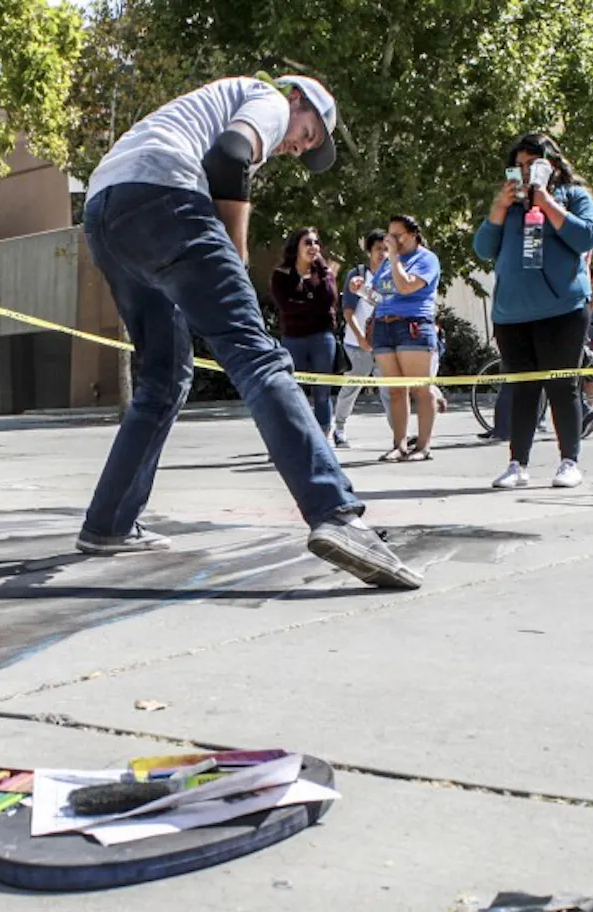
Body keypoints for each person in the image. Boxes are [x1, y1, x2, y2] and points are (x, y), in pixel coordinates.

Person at [74, 74, 419, 588]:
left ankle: (109, 523)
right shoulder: (270, 99)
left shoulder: (203, 107)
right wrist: (234, 249)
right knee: (257, 357)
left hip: (105, 215)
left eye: (305, 148)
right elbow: (230, 156)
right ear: (297, 99)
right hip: (167, 198)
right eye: (307, 134)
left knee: (163, 378)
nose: (297, 146)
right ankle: (334, 512)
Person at [473, 132, 593, 489]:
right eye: (519, 166)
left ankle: (569, 461)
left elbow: (586, 237)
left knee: (562, 387)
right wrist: (499, 209)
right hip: (512, 314)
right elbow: (483, 248)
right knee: (523, 391)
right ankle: (518, 464)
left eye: (533, 163)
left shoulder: (573, 196)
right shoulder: (510, 206)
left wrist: (546, 203)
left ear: (553, 165)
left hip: (561, 310)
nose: (526, 171)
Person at [370, 215, 440, 462]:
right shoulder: (388, 262)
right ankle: (399, 444)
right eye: (388, 235)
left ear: (412, 235)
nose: (390, 241)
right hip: (384, 325)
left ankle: (423, 446)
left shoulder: (426, 259)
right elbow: (379, 295)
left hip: (412, 325)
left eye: (396, 236)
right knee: (395, 391)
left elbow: (406, 286)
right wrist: (362, 290)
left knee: (420, 388)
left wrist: (394, 259)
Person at [270, 228, 339, 439]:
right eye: (307, 243)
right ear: (296, 247)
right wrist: (314, 306)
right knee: (292, 388)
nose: (313, 247)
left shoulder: (324, 274)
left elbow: (329, 301)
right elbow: (287, 306)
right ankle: (296, 435)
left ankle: (323, 435)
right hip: (294, 337)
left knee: (322, 390)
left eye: (316, 243)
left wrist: (324, 270)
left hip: (322, 337)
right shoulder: (282, 275)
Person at [337, 231, 387, 449]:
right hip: (357, 343)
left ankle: (400, 435)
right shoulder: (357, 274)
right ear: (369, 251)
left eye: (387, 249)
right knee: (352, 386)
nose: (383, 254)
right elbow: (348, 311)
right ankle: (339, 428)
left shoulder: (393, 276)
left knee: (389, 389)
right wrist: (361, 337)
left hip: (384, 344)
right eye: (378, 249)